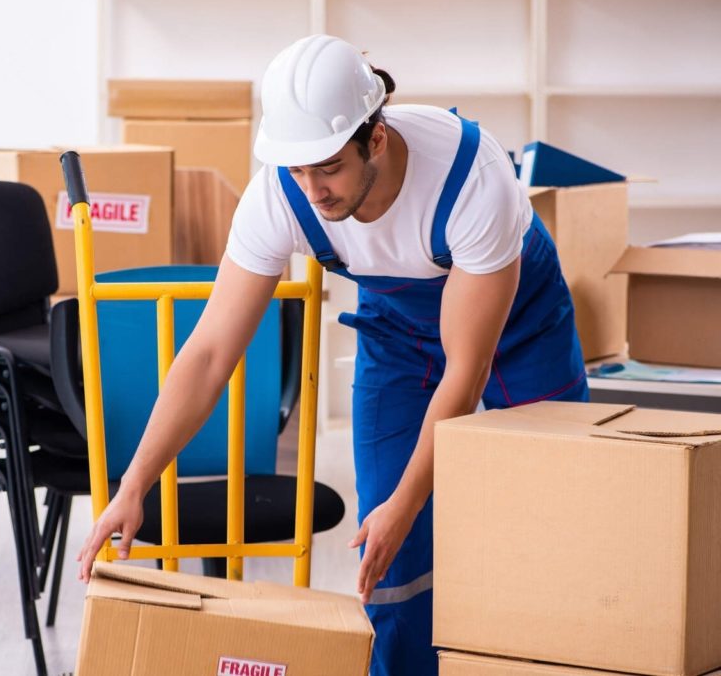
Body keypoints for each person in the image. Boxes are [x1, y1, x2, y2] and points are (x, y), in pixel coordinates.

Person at [77, 34, 588, 675]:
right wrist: (136, 482)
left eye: (328, 168)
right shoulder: (279, 195)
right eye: (298, 170)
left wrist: (409, 505)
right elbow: (209, 353)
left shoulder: (472, 178)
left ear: (375, 138)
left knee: (557, 512)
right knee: (387, 553)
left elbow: (467, 370)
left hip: (516, 323)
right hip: (398, 333)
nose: (313, 190)